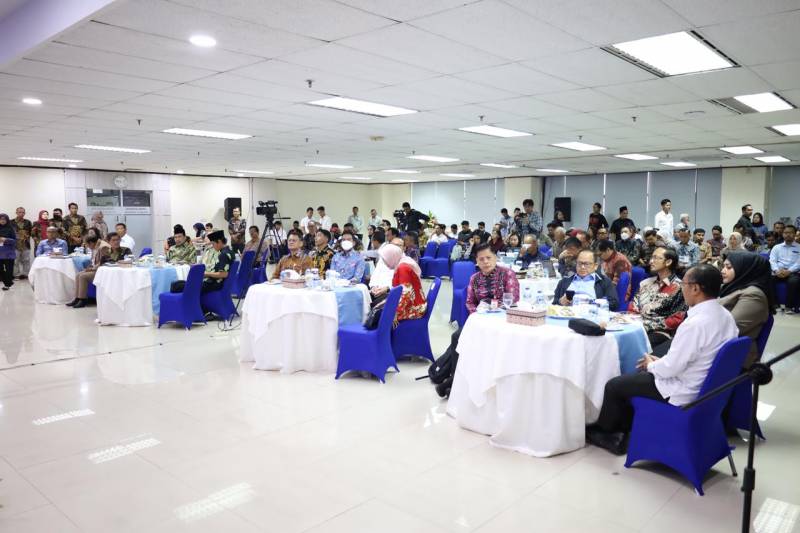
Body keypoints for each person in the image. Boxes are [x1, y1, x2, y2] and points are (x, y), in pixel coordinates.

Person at [586, 264, 738, 455]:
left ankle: (609, 434)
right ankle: (627, 428)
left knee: (615, 385)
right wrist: (661, 362)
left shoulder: (695, 324)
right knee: (639, 375)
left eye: (684, 284)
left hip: (684, 389)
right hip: (705, 385)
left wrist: (652, 365)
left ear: (695, 288)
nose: (681, 289)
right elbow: (690, 357)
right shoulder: (725, 315)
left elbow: (670, 369)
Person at [719, 252, 774, 365]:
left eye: (728, 267)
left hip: (732, 357)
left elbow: (730, 328)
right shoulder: (732, 286)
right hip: (718, 346)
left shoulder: (754, 295)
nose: (723, 271)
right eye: (723, 266)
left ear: (747, 269)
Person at [628, 247, 686, 347]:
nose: (651, 261)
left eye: (655, 258)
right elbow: (633, 306)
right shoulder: (645, 283)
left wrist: (646, 325)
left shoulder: (679, 287)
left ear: (668, 262)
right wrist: (634, 322)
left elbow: (676, 319)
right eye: (651, 257)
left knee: (633, 345)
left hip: (660, 332)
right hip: (637, 327)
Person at [370, 240, 427, 322]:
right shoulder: (402, 262)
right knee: (375, 308)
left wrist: (393, 313)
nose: (385, 262)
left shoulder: (403, 268)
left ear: (392, 256)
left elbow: (405, 295)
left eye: (386, 258)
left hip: (414, 307)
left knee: (378, 315)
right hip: (410, 302)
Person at [170, 230, 234, 295]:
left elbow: (224, 274)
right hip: (213, 282)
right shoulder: (229, 251)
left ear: (219, 241)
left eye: (213, 244)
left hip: (212, 284)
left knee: (176, 286)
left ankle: (186, 300)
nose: (213, 246)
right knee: (180, 283)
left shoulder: (223, 254)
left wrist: (206, 274)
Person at [552, 249, 619, 309]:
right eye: (580, 263)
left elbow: (614, 303)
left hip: (592, 315)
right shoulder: (564, 281)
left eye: (587, 264)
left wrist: (593, 303)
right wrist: (560, 302)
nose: (582, 267)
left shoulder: (604, 282)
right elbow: (554, 303)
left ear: (595, 266)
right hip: (568, 315)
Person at [466, 243, 520, 313]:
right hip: (481, 315)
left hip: (504, 315)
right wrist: (476, 314)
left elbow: (513, 299)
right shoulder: (474, 278)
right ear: (477, 261)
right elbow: (470, 303)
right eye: (481, 259)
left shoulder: (507, 273)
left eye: (488, 257)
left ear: (495, 257)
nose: (485, 262)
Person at [67, 234, 110, 308]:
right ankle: (77, 298)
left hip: (101, 271)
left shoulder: (103, 247)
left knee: (83, 276)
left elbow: (103, 262)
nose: (87, 246)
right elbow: (94, 260)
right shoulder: (95, 246)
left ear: (91, 243)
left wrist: (92, 268)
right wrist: (90, 267)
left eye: (86, 244)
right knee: (78, 275)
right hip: (96, 268)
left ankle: (82, 299)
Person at [769, 225, 800, 313]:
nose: (788, 235)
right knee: (768, 278)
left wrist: (789, 271)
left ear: (795, 234)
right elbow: (772, 260)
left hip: (793, 272)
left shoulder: (799, 247)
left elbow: (798, 263)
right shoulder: (776, 247)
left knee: (793, 281)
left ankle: (789, 307)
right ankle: (775, 305)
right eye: (786, 233)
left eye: (790, 233)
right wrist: (776, 270)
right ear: (783, 234)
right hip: (778, 271)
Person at [12, 207, 32, 280]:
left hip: (25, 244)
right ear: (16, 213)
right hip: (15, 245)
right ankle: (16, 275)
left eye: (23, 212)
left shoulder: (28, 222)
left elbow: (31, 232)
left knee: (26, 260)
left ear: (25, 213)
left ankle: (26, 274)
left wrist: (26, 235)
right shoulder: (11, 222)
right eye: (19, 212)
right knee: (15, 260)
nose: (21, 213)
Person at [0, 214, 17, 290]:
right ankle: (8, 282)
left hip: (8, 253)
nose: (2, 221)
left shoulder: (11, 229)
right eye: (1, 219)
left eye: (4, 219)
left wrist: (5, 239)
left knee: (9, 270)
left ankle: (7, 285)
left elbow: (14, 241)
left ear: (7, 220)